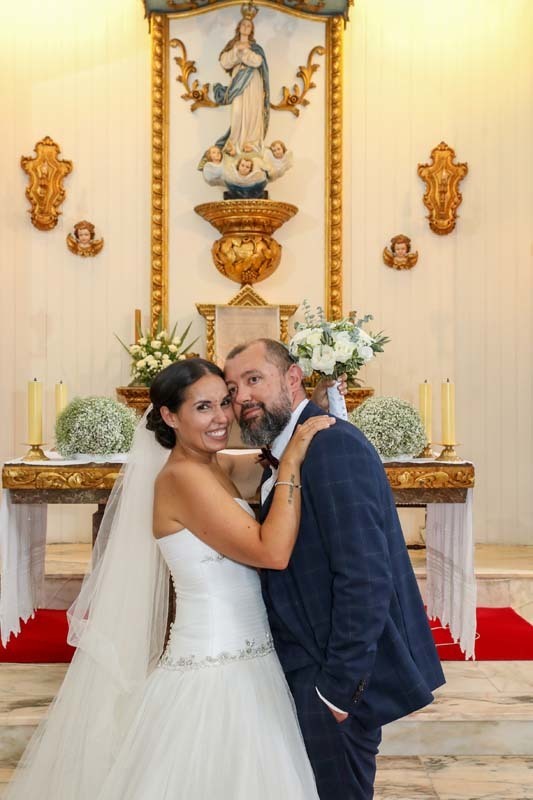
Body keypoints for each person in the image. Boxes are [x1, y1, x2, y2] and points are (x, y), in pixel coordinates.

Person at [5, 358, 336, 800]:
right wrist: (291, 462)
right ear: (170, 416)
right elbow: (271, 553)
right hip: (214, 667)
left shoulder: (214, 465)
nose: (221, 418)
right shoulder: (181, 478)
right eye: (203, 407)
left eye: (225, 402)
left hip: (251, 658)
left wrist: (303, 411)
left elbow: (262, 463)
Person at [224, 339, 446, 800]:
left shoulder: (331, 446)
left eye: (253, 379)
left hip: (330, 680)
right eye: (232, 389)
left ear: (292, 378)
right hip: (305, 668)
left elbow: (365, 577)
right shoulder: (286, 452)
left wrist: (338, 691)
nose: (242, 396)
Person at [214, 12, 269, 155]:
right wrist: (236, 51)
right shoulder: (232, 45)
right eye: (243, 24)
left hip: (253, 82)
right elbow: (225, 62)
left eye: (249, 25)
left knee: (252, 111)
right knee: (237, 112)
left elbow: (257, 62)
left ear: (252, 30)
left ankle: (251, 143)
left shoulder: (256, 48)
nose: (245, 27)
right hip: (238, 83)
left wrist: (244, 52)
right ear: (238, 27)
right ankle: (233, 143)